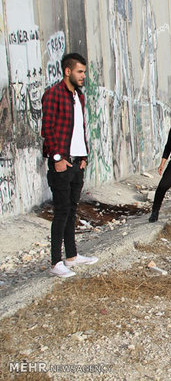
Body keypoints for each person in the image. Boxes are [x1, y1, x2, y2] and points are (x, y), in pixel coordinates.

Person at [41, 53, 98, 278]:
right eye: (80, 71)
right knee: (61, 211)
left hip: (77, 161)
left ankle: (72, 256)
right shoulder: (53, 94)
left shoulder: (79, 97)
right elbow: (48, 129)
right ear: (68, 71)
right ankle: (56, 262)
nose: (83, 76)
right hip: (62, 162)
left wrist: (84, 157)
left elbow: (79, 130)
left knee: (72, 209)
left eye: (84, 71)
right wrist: (56, 159)